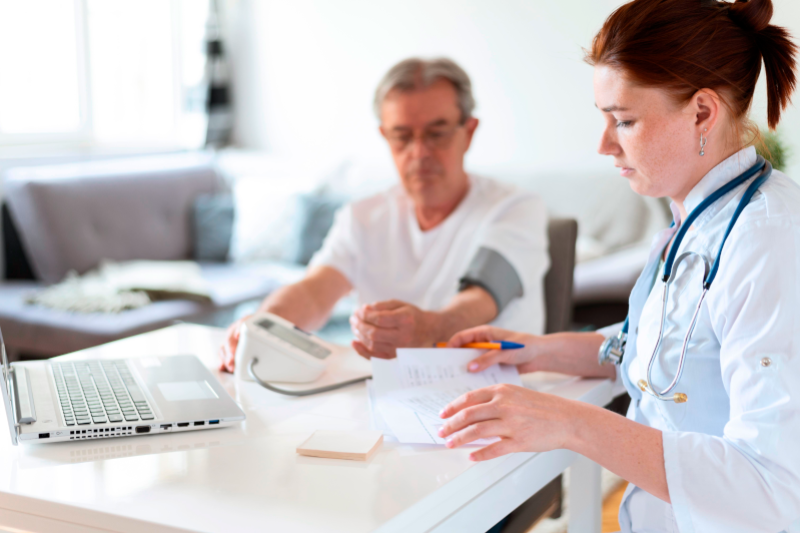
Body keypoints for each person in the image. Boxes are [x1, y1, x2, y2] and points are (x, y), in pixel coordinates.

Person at [438, 0, 800, 531]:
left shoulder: (767, 242)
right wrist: (533, 350)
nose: (604, 145)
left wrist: (571, 423)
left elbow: (774, 490)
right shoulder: (694, 222)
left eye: (624, 121)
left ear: (702, 112)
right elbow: (662, 352)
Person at [220, 58, 549, 371]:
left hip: (502, 391)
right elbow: (315, 290)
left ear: (470, 131)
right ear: (385, 137)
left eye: (437, 134)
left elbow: (482, 297)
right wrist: (265, 325)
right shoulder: (363, 216)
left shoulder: (515, 208)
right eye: (402, 136)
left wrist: (429, 330)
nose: (419, 152)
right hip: (394, 395)